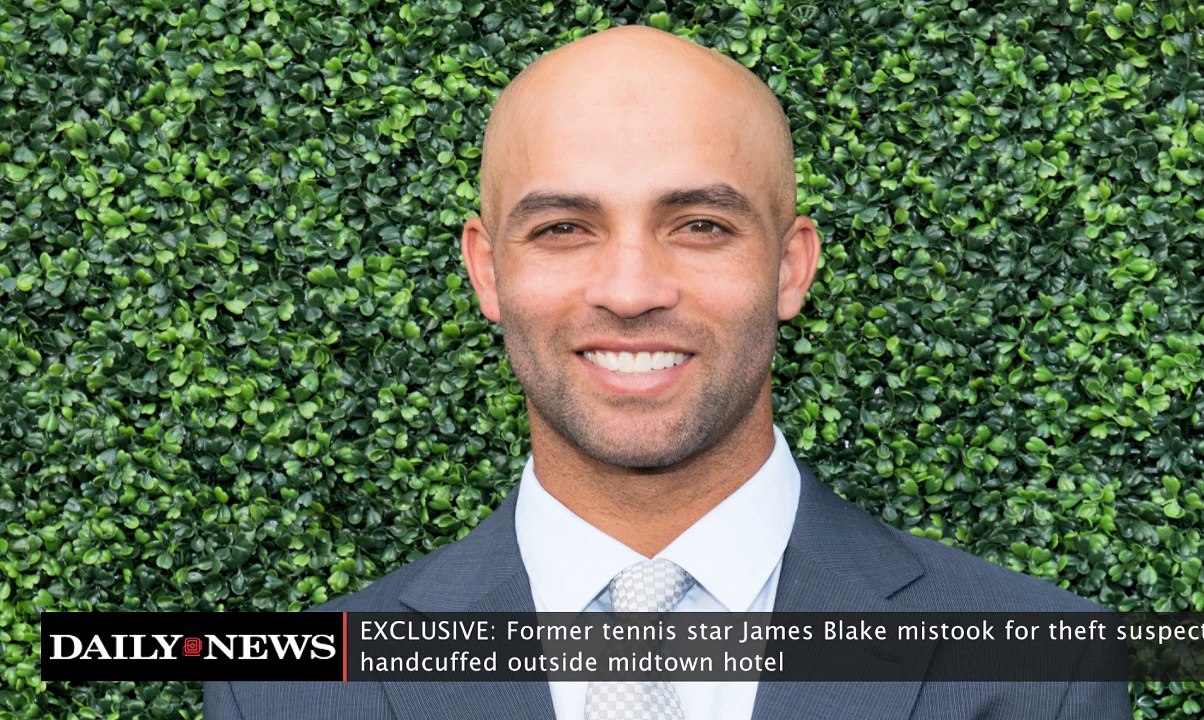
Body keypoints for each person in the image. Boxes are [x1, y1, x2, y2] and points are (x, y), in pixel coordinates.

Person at [204, 25, 1131, 719]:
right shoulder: (286, 693)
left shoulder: (1045, 673)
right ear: (488, 270)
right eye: (563, 228)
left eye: (700, 226)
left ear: (790, 266)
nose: (632, 288)